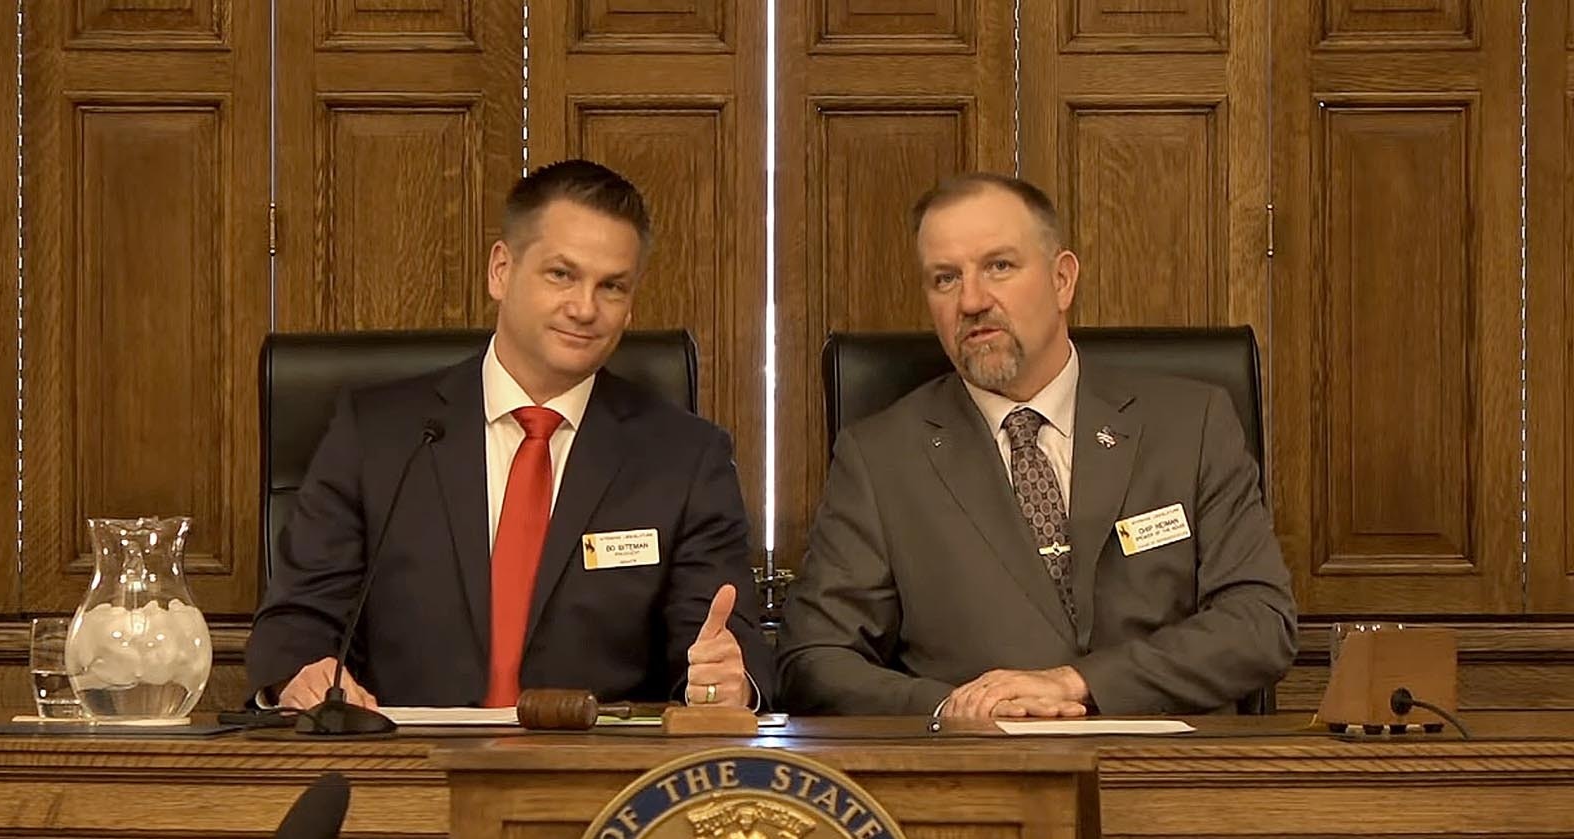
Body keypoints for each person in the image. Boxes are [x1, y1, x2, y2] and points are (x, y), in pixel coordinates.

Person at [247, 159, 771, 711]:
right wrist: (302, 675)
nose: (585, 308)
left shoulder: (684, 459)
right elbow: (296, 623)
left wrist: (723, 684)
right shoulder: (378, 435)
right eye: (561, 274)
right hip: (406, 774)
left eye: (611, 286)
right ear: (501, 269)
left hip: (601, 780)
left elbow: (722, 647)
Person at [776, 172, 1297, 717]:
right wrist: (955, 708)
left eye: (999, 266)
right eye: (945, 279)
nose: (972, 300)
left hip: (1167, 781)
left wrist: (1080, 683)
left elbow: (1260, 622)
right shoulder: (880, 458)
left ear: (1062, 280)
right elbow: (815, 660)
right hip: (981, 782)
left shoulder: (1190, 426)